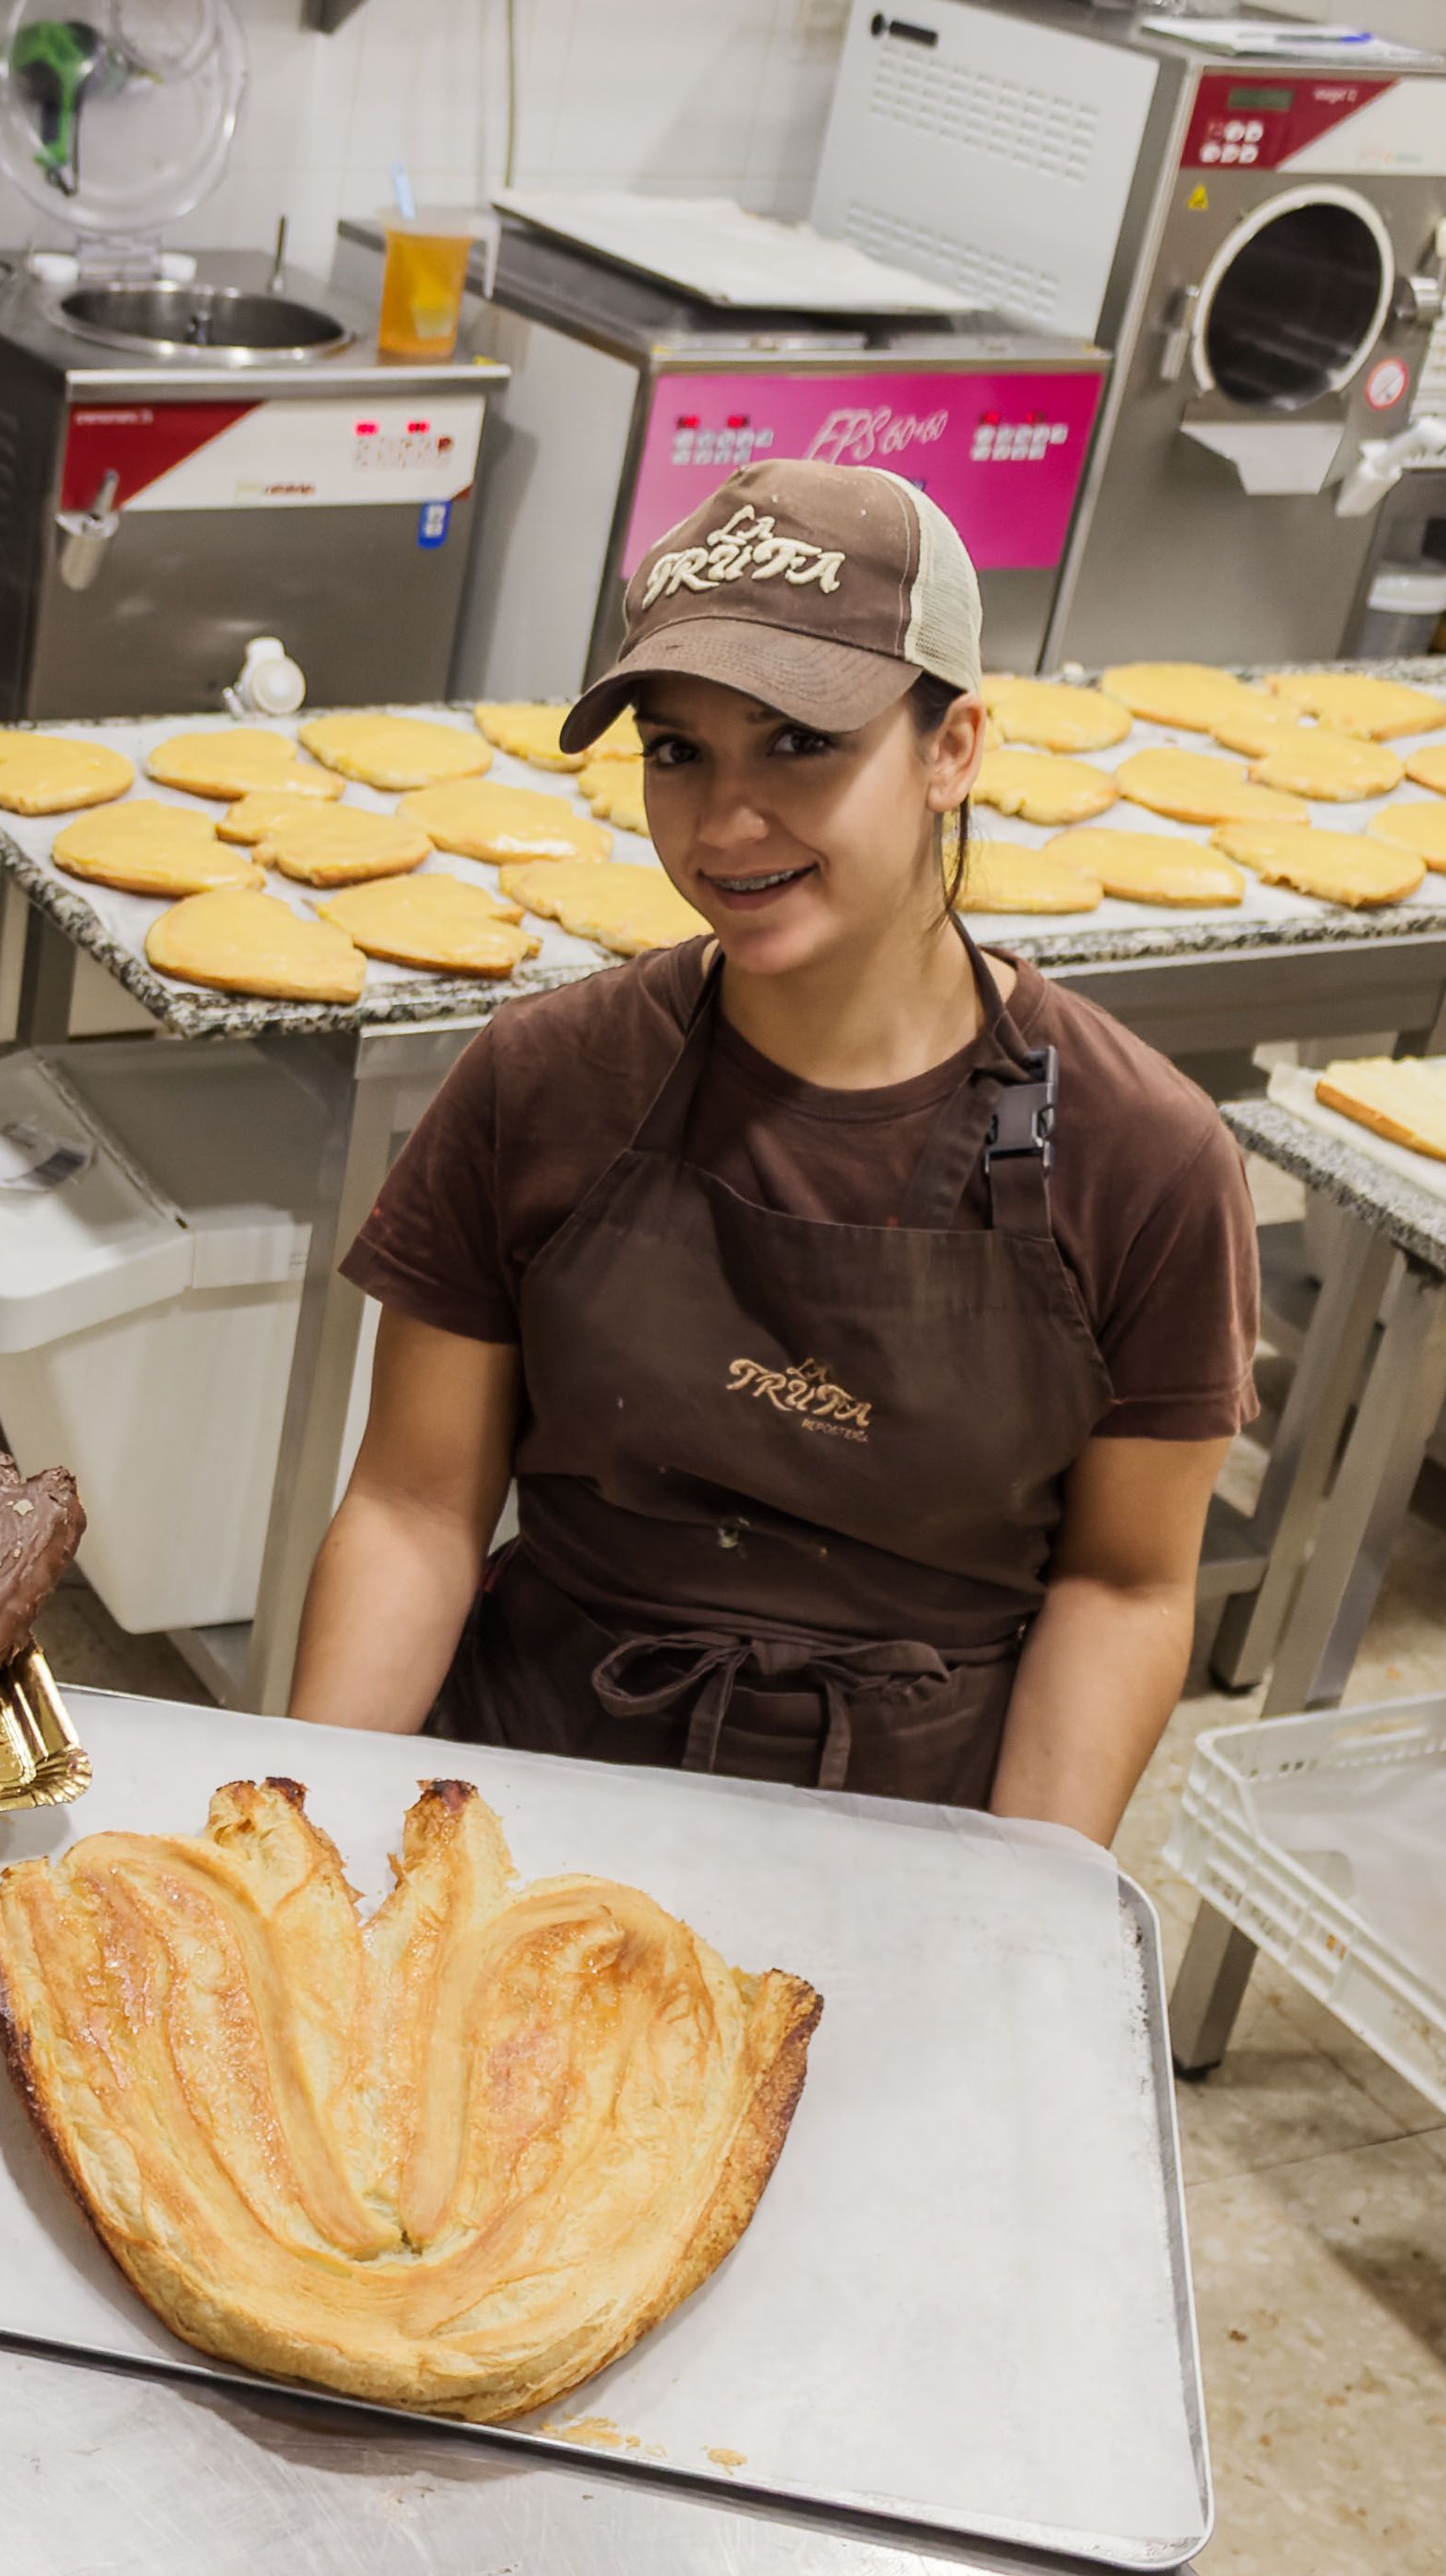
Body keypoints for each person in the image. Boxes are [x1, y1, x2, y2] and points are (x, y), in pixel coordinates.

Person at [285, 461, 1255, 1841]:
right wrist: (311, 1824)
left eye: (799, 740)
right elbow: (415, 1504)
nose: (727, 823)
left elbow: (1126, 1586)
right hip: (540, 1768)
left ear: (952, 748)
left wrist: (1021, 1895)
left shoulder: (1143, 1158)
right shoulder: (548, 1079)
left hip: (914, 1823)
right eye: (678, 750)